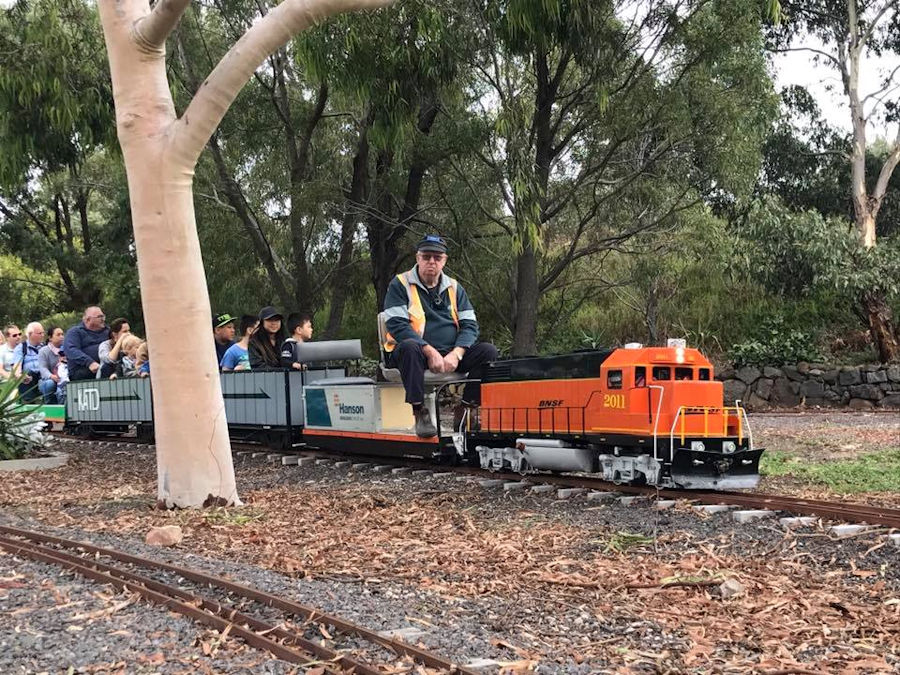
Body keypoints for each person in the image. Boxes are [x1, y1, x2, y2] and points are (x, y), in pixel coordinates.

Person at [383, 234, 498, 437]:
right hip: (413, 355)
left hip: (449, 355)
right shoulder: (400, 284)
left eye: (437, 257)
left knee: (488, 351)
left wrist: (457, 353)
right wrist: (428, 350)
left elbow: (470, 325)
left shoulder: (454, 288)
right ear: (417, 258)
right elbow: (397, 324)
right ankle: (419, 413)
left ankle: (465, 409)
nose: (432, 262)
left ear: (444, 260)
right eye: (426, 257)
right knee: (410, 346)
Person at [64, 307, 108, 381]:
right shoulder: (75, 332)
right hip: (83, 370)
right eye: (100, 317)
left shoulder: (108, 331)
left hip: (106, 366)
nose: (103, 319)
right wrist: (89, 362)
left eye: (103, 316)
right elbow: (71, 350)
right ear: (88, 320)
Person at [13, 322, 46, 402]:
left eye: (43, 333)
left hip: (44, 375)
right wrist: (21, 376)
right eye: (40, 333)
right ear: (30, 334)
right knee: (25, 375)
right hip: (30, 378)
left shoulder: (45, 347)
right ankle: (29, 405)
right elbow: (17, 368)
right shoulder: (21, 348)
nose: (43, 335)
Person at [38, 326, 66, 404]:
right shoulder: (43, 351)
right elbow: (42, 368)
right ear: (50, 338)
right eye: (58, 335)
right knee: (50, 384)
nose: (61, 337)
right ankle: (50, 407)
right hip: (47, 379)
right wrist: (51, 376)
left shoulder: (67, 349)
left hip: (64, 378)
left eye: (62, 334)